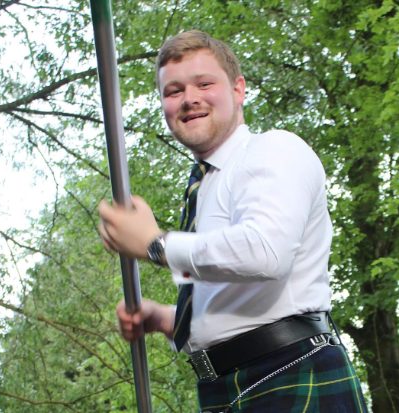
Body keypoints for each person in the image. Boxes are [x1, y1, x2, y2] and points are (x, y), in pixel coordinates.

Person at [98, 30, 367, 413]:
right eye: (173, 91)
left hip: (288, 371)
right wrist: (163, 319)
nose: (189, 98)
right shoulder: (204, 188)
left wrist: (155, 243)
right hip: (228, 387)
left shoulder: (274, 149)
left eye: (204, 83)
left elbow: (266, 253)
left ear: (238, 89)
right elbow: (238, 304)